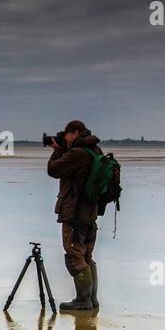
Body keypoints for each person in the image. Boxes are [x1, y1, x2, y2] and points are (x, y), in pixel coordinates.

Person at [46, 119, 102, 312]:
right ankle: (92, 300)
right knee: (86, 255)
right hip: (90, 214)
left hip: (75, 213)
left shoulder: (77, 153)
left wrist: (57, 150)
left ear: (75, 133)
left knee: (75, 256)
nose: (65, 138)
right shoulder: (94, 150)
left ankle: (83, 300)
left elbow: (53, 170)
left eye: (67, 134)